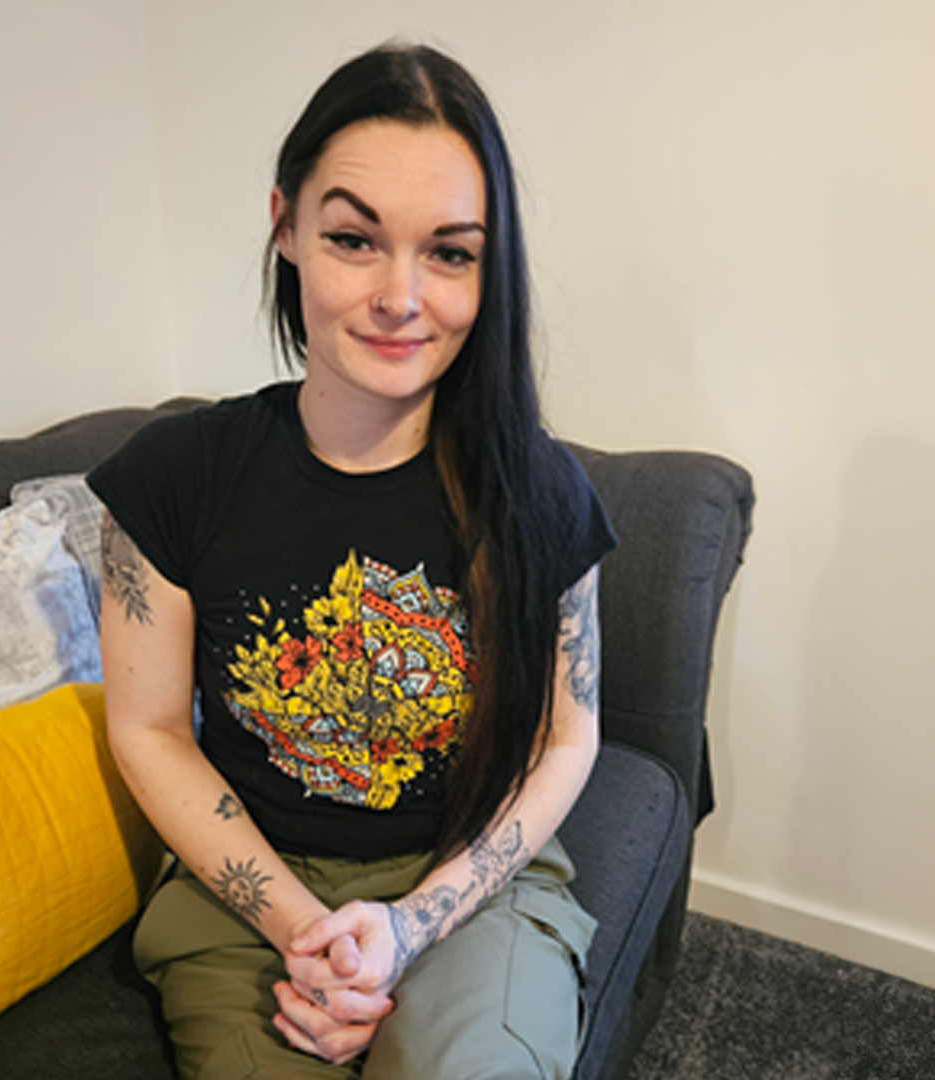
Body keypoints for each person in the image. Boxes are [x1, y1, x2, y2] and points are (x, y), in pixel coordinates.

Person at [87, 41, 616, 1080]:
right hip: (245, 888)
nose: (400, 296)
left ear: (488, 267)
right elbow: (148, 731)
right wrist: (299, 928)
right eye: (354, 239)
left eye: (451, 253)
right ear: (286, 226)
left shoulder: (544, 494)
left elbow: (566, 739)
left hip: (470, 883)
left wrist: (413, 924)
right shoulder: (171, 478)